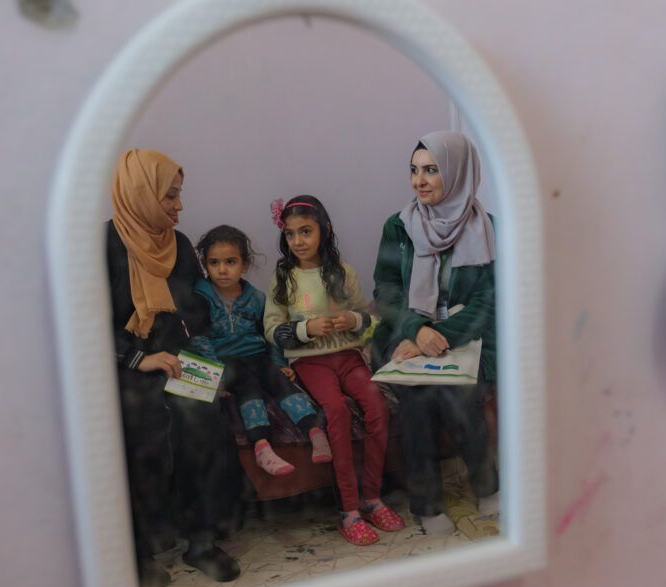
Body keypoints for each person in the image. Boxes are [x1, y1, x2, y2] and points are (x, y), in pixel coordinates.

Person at [107, 148, 240, 587]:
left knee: (204, 418)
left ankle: (201, 541)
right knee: (142, 428)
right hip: (127, 367)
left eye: (179, 196)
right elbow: (88, 323)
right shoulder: (104, 245)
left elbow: (193, 312)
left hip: (176, 359)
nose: (179, 207)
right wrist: (139, 358)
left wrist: (193, 359)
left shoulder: (178, 245)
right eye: (171, 196)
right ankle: (139, 549)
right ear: (142, 193)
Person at [371, 131, 500, 535]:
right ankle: (427, 505)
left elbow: (488, 301)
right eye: (414, 170)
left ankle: (487, 485)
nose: (419, 181)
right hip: (404, 334)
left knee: (457, 392)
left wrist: (438, 334)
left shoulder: (489, 228)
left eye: (432, 170)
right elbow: (386, 292)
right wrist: (416, 328)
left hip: (469, 334)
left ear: (459, 173)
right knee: (418, 397)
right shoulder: (399, 226)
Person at [263, 195, 405, 546]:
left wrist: (354, 319)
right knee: (337, 412)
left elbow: (367, 320)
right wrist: (304, 331)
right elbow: (271, 328)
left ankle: (372, 497)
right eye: (291, 234)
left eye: (306, 231)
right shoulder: (283, 277)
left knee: (376, 405)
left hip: (348, 356)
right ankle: (349, 509)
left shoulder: (342, 271)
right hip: (309, 362)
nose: (298, 241)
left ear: (324, 231)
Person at [190, 224, 332, 476]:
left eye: (230, 262)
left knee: (277, 380)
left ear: (244, 265)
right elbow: (200, 338)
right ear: (205, 264)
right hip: (226, 360)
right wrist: (215, 374)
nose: (222, 270)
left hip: (256, 355)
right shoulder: (201, 295)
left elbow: (269, 335)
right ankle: (261, 446)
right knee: (247, 384)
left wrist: (280, 363)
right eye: (214, 262)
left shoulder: (256, 298)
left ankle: (315, 432)